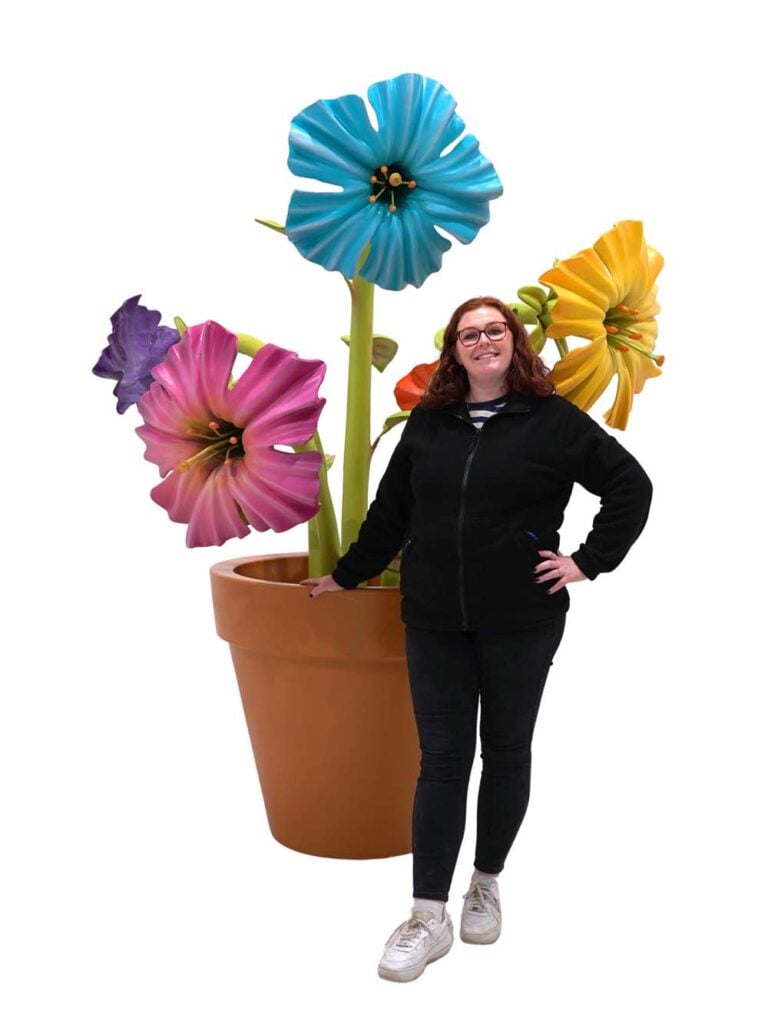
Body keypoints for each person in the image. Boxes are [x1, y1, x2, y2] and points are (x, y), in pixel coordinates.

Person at [299, 296, 653, 983]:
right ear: (454, 352)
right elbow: (391, 512)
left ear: (513, 343)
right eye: (469, 334)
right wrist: (347, 575)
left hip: (522, 617)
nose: (483, 340)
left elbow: (630, 486)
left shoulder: (551, 422)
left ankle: (485, 882)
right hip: (433, 619)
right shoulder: (429, 425)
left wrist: (587, 560)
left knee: (507, 751)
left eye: (495, 330)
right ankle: (427, 915)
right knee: (441, 761)